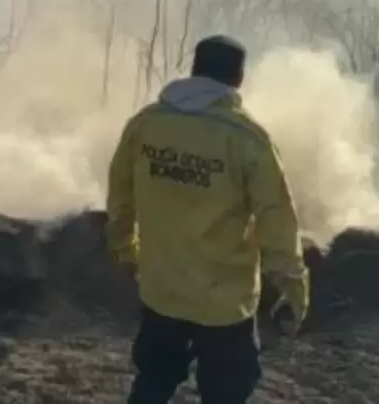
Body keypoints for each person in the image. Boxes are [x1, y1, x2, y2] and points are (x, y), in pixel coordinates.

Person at [105, 34, 309, 404]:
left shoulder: (146, 124)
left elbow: (120, 197)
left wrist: (124, 250)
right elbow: (276, 218)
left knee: (153, 381)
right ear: (239, 79)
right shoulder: (247, 138)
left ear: (194, 69)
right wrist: (293, 285)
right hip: (225, 304)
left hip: (161, 290)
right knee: (227, 393)